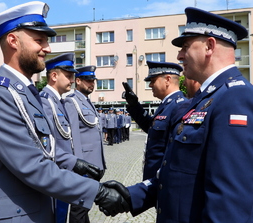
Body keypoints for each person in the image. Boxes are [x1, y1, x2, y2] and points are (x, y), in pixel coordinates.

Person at [0, 2, 129, 222]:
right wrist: (96, 192)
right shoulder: (0, 95)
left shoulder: (25, 91)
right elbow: (32, 165)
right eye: (39, 40)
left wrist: (75, 163)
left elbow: (44, 147)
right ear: (13, 41)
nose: (48, 48)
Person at [101, 7, 253, 223]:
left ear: (209, 46)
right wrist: (129, 196)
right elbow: (178, 174)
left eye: (185, 47)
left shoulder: (234, 98)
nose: (180, 55)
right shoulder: (203, 99)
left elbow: (229, 203)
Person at [40, 54, 103, 223]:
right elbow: (46, 144)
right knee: (58, 216)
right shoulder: (46, 102)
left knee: (63, 214)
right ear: (54, 76)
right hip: (57, 171)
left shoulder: (58, 101)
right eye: (68, 76)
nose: (72, 80)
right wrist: (76, 163)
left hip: (65, 171)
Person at [123, 61, 187, 180]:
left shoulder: (180, 106)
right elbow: (151, 127)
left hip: (162, 179)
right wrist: (134, 105)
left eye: (153, 81)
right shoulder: (167, 104)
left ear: (167, 80)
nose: (150, 85)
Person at [64, 65, 106, 223]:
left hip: (94, 165)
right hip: (84, 167)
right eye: (88, 80)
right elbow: (73, 137)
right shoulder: (72, 102)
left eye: (93, 80)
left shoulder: (87, 102)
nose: (92, 83)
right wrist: (78, 166)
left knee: (84, 207)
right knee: (79, 209)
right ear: (78, 81)